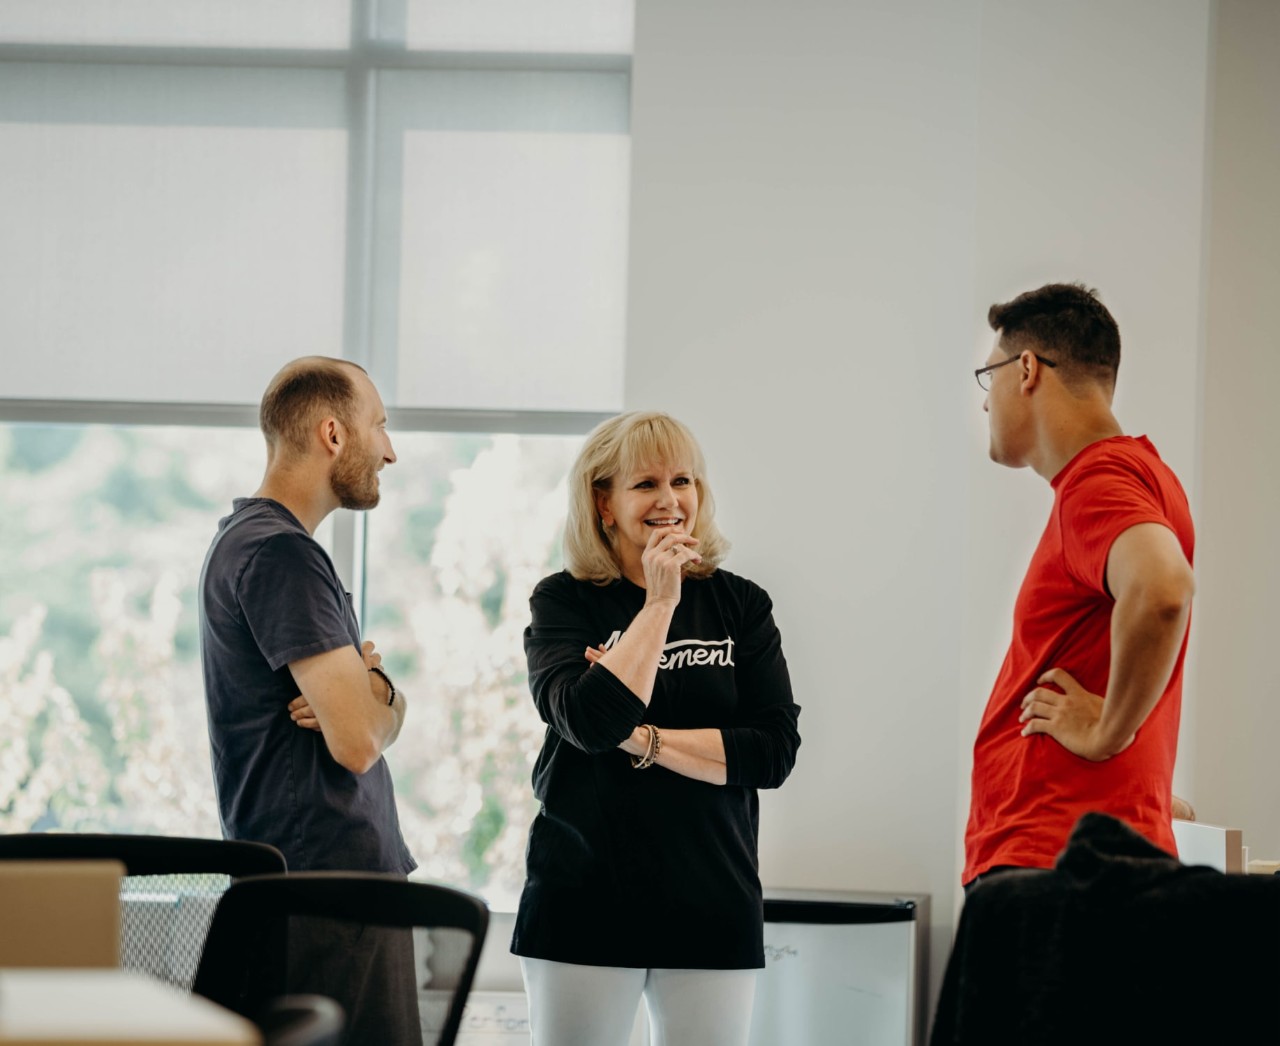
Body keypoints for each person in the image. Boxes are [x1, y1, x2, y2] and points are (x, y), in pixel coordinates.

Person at [511, 411, 801, 1046]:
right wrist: (660, 605)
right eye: (645, 484)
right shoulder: (561, 602)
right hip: (581, 897)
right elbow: (588, 723)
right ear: (603, 503)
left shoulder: (741, 604)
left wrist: (643, 738)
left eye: (684, 481)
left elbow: (773, 752)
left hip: (712, 898)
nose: (671, 501)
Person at [198, 355, 418, 1041]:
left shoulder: (250, 542)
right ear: (332, 434)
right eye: (377, 426)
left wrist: (373, 688)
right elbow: (356, 742)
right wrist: (380, 700)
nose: (389, 449)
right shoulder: (281, 554)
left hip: (315, 886)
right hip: (327, 892)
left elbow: (355, 714)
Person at [963, 283, 1196, 891]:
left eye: (990, 378)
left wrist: (1108, 732)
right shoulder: (1139, 474)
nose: (986, 405)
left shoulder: (1098, 480)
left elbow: (1165, 589)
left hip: (1053, 861)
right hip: (1079, 854)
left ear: (1028, 369)